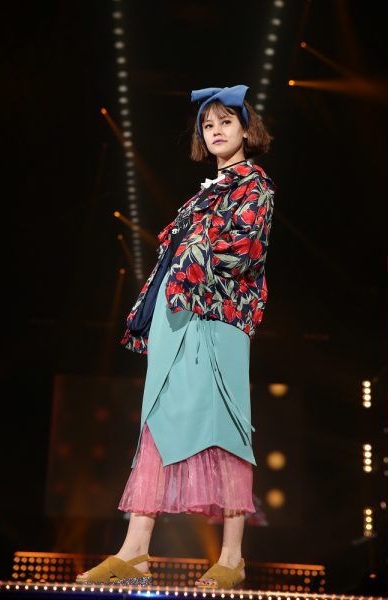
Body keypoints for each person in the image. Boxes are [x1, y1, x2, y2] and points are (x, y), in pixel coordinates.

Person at [76, 85, 275, 589]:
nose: (216, 131)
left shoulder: (255, 187)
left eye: (226, 122)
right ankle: (135, 551)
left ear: (246, 129)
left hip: (220, 316)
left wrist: (193, 253)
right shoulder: (204, 192)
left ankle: (232, 556)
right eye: (208, 125)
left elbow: (244, 253)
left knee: (226, 422)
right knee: (157, 415)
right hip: (178, 314)